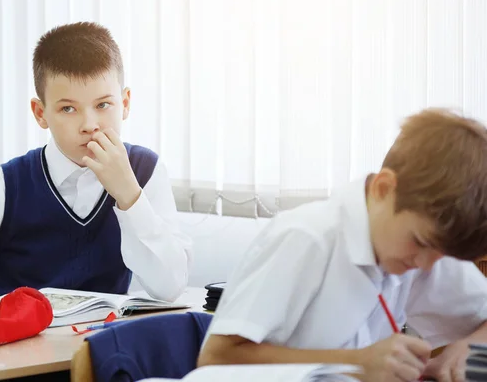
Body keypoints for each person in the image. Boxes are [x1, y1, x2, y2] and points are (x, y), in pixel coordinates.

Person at [0, 22, 192, 304]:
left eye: (103, 105)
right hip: (2, 351)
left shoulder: (144, 172)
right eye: (68, 109)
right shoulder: (3, 185)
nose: (90, 124)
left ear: (124, 104)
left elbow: (169, 287)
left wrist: (129, 195)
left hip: (90, 351)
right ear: (40, 113)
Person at [198, 109, 487, 382]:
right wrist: (355, 363)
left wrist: (467, 348)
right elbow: (215, 358)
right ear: (384, 188)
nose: (426, 265)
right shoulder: (306, 239)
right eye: (420, 243)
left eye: (440, 255)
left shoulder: (423, 244)